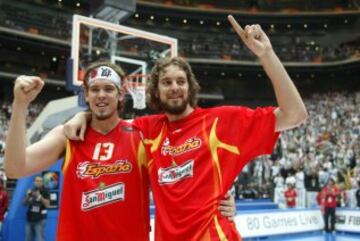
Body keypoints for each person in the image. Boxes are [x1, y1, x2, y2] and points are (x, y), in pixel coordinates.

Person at [65, 15, 308, 240]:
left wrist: (267, 54)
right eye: (166, 82)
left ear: (190, 87)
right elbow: (108, 122)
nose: (174, 87)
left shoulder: (221, 122)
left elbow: (295, 114)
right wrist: (83, 116)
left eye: (180, 81)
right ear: (155, 92)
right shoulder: (147, 130)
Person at [4, 63, 235, 241]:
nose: (101, 95)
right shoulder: (69, 135)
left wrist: (219, 201)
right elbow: (15, 167)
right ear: (86, 95)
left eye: (108, 89)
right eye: (94, 89)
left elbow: (184, 175)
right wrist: (20, 106)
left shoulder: (142, 135)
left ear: (121, 94)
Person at [23, 176, 50, 241]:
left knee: (40, 239)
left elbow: (48, 205)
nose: (38, 182)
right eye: (37, 181)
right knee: (28, 239)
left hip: (40, 220)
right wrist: (27, 196)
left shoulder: (46, 191)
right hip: (29, 219)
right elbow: (24, 204)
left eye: (40, 181)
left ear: (42, 182)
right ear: (34, 182)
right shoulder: (31, 190)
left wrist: (40, 197)